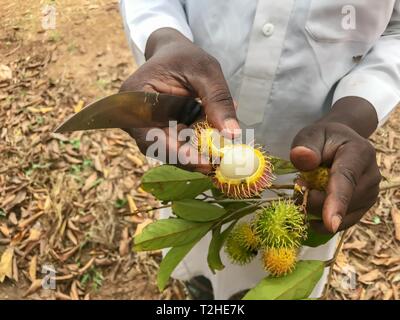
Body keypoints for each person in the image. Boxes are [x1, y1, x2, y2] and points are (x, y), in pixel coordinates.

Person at [119, 0, 399, 299]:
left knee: (291, 258)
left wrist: (352, 118)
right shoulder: (208, 150)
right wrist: (164, 38)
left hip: (314, 151)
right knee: (195, 239)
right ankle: (201, 283)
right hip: (193, 128)